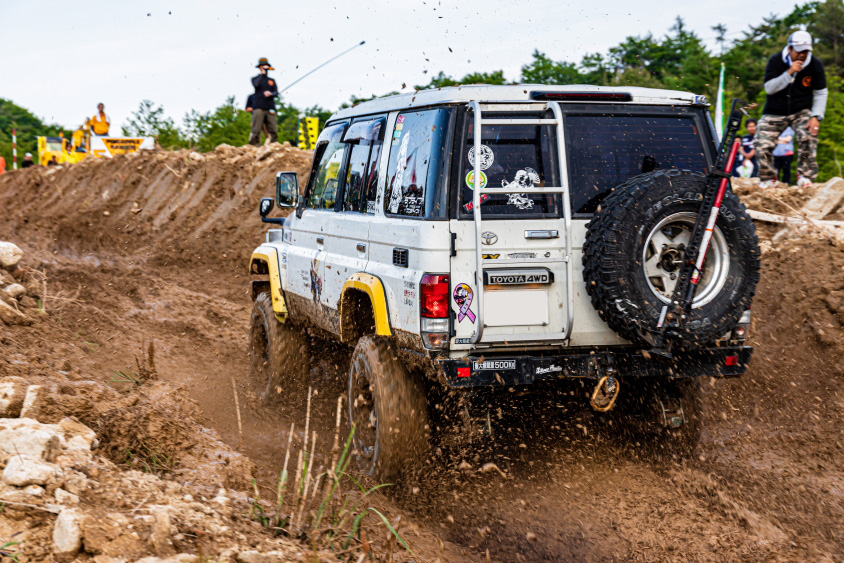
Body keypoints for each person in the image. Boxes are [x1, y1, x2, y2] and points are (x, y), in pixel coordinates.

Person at [755, 30, 827, 188]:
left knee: (809, 135)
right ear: (789, 49)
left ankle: (804, 175)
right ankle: (768, 177)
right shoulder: (775, 61)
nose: (802, 55)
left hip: (801, 111)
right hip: (774, 111)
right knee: (761, 141)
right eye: (799, 51)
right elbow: (769, 88)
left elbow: (821, 92)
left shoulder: (815, 64)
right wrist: (789, 73)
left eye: (805, 51)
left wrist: (816, 116)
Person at [249, 58, 279, 146]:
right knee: (256, 129)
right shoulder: (255, 78)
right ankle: (254, 146)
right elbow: (256, 85)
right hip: (258, 107)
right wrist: (262, 74)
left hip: (270, 107)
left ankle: (274, 146)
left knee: (273, 129)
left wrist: (271, 93)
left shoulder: (272, 80)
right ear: (259, 67)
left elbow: (276, 92)